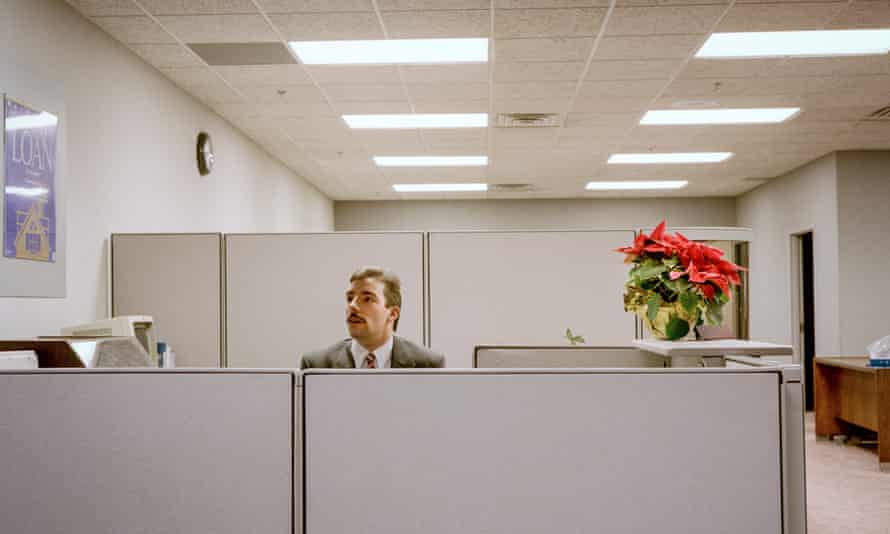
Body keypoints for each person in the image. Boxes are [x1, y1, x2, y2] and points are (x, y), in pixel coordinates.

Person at [300, 266, 445, 369]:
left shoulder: (427, 365)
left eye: (367, 299)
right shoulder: (316, 366)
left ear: (393, 313)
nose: (352, 306)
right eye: (350, 298)